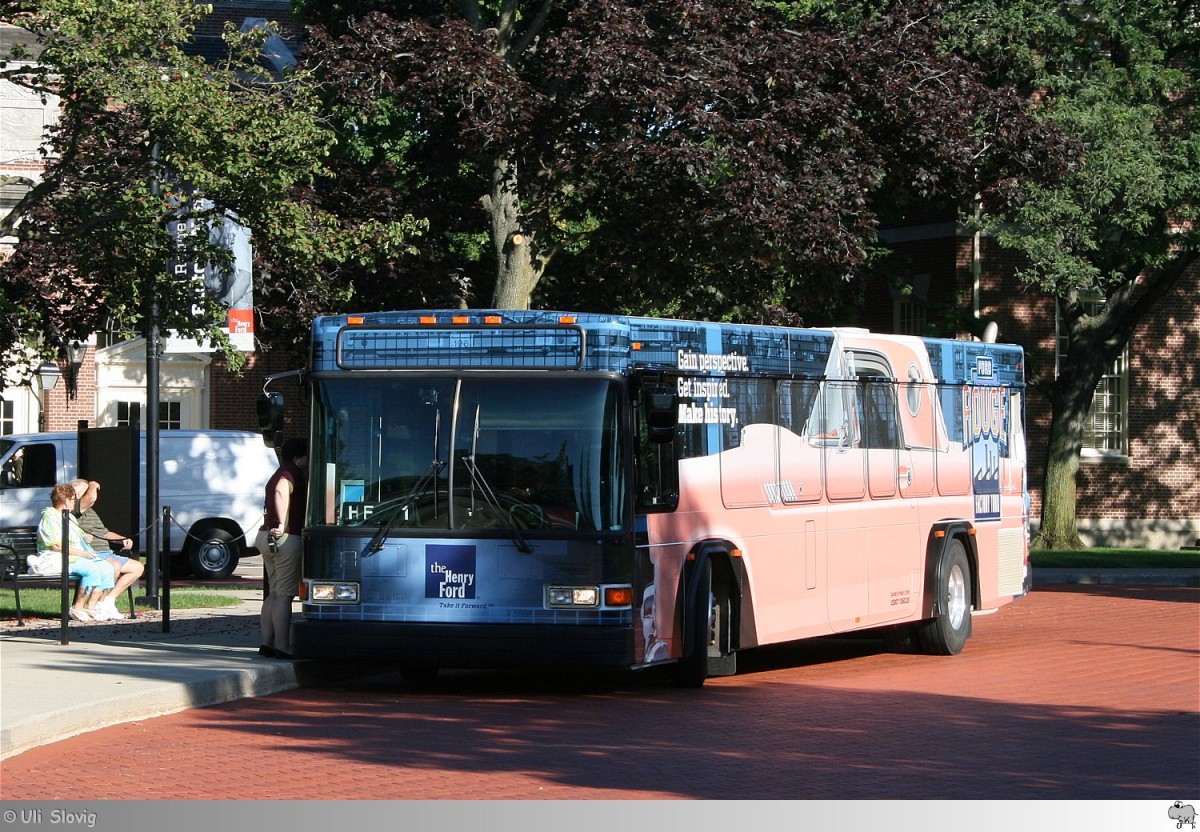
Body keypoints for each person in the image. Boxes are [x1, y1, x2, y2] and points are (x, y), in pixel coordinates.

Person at [33, 483, 117, 622]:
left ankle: (90, 606)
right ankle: (78, 607)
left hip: (75, 555)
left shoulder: (70, 517)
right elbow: (56, 546)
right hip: (58, 557)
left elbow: (74, 537)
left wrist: (85, 538)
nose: (74, 502)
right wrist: (82, 554)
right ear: (66, 500)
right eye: (73, 499)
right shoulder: (50, 516)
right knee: (92, 569)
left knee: (108, 568)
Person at [256, 438, 308, 659]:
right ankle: (282, 646)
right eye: (306, 456)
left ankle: (266, 643)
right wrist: (281, 523)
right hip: (285, 538)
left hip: (264, 536)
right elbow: (280, 491)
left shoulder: (278, 471)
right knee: (285, 596)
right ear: (298, 457)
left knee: (274, 593)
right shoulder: (291, 472)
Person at [70, 478, 144, 620]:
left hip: (107, 552)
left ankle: (108, 601)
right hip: (93, 553)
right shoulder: (75, 508)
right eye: (85, 491)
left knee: (137, 568)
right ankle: (95, 604)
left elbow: (104, 532)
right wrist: (93, 484)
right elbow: (91, 498)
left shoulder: (90, 512)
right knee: (113, 566)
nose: (89, 493)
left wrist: (121, 539)